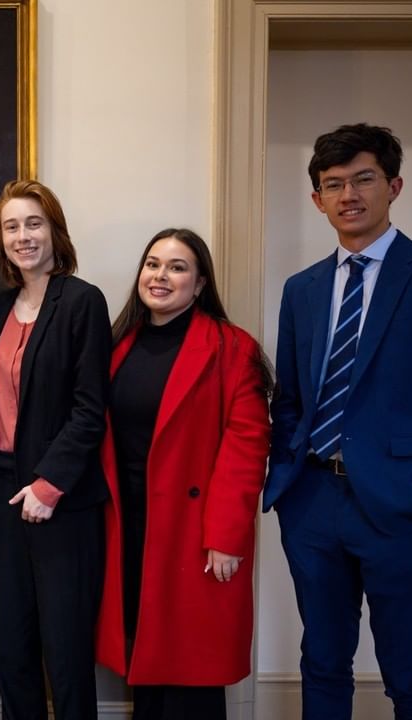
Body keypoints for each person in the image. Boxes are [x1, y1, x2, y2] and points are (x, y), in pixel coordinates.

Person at [264, 123, 412, 720]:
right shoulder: (302, 290)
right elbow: (290, 398)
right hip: (313, 502)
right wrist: (288, 482)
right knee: (320, 663)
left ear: (393, 185)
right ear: (318, 200)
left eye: (363, 179)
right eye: (333, 184)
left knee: (411, 670)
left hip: (403, 508)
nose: (349, 194)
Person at [96, 228, 272, 720]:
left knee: (191, 668)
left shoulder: (233, 348)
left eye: (176, 267)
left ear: (199, 285)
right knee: (143, 657)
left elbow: (247, 447)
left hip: (194, 530)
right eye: (152, 264)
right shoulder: (116, 345)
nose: (160, 276)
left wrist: (226, 536)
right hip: (128, 524)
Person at [0, 180, 111, 720]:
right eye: (12, 226)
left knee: (65, 648)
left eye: (33, 223)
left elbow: (90, 408)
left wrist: (49, 483)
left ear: (54, 231)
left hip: (62, 500)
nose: (23, 236)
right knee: (12, 649)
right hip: (5, 489)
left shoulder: (82, 301)